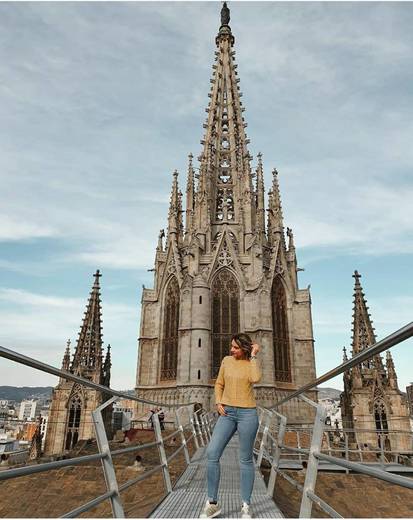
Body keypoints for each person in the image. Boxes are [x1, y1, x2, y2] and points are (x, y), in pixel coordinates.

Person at [200, 333, 261, 519]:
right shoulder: (226, 360)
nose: (231, 350)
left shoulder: (251, 362)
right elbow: (219, 383)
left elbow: (256, 378)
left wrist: (254, 356)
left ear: (244, 349)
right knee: (212, 453)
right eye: (231, 347)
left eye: (235, 347)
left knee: (245, 459)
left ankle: (246, 505)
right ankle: (212, 503)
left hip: (247, 414)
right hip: (227, 413)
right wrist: (218, 402)